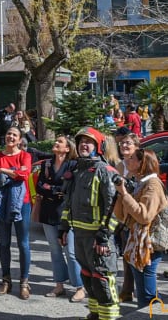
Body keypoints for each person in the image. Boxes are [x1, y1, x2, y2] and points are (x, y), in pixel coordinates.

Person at [59, 127, 120, 320]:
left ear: (98, 146)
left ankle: (109, 317)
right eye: (81, 141)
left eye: (89, 141)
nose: (84, 145)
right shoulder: (77, 170)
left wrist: (104, 237)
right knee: (87, 277)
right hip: (79, 235)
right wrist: (64, 227)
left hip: (97, 239)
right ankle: (95, 314)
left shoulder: (104, 171)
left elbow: (114, 208)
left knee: (103, 280)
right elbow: (69, 202)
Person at [114, 148, 168, 309]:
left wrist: (125, 194)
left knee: (146, 291)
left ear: (141, 163)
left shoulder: (152, 185)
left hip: (150, 242)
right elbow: (122, 216)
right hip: (138, 240)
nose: (127, 161)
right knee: (142, 289)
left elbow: (144, 216)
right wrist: (121, 194)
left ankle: (148, 314)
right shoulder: (139, 182)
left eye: (131, 158)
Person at [35, 135, 84, 302]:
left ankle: (79, 286)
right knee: (55, 250)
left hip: (67, 213)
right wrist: (55, 190)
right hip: (48, 211)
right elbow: (39, 186)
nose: (56, 143)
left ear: (68, 148)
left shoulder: (73, 165)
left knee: (70, 251)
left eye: (60, 142)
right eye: (56, 141)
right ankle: (59, 285)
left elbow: (69, 187)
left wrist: (52, 188)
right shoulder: (47, 164)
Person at [0, 126, 33, 299]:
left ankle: (24, 281)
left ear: (20, 139)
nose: (11, 137)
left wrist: (6, 171)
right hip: (2, 204)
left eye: (14, 135)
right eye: (8, 134)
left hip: (22, 203)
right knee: (4, 242)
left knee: (23, 243)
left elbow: (24, 174)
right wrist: (14, 171)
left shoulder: (25, 155)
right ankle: (5, 279)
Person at [116, 132, 142, 303]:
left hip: (136, 214)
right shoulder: (119, 165)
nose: (124, 146)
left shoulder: (140, 164)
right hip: (122, 215)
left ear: (136, 147)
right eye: (122, 144)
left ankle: (144, 295)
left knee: (137, 256)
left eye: (128, 144)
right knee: (126, 254)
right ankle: (127, 290)